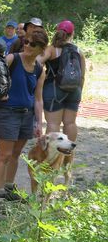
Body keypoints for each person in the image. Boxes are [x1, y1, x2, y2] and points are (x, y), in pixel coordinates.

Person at [0, 31, 47, 208]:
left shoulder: (40, 69)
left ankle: (8, 188)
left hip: (27, 115)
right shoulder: (11, 59)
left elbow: (38, 98)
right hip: (8, 113)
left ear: (41, 49)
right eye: (26, 41)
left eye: (32, 44)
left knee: (16, 154)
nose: (27, 45)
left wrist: (39, 122)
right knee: (4, 154)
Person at [40, 20, 85, 149]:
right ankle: (67, 155)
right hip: (75, 90)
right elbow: (82, 76)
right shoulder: (78, 51)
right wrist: (78, 92)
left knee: (53, 123)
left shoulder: (52, 49)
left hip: (54, 89)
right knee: (70, 123)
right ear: (72, 34)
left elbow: (37, 62)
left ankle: (51, 156)